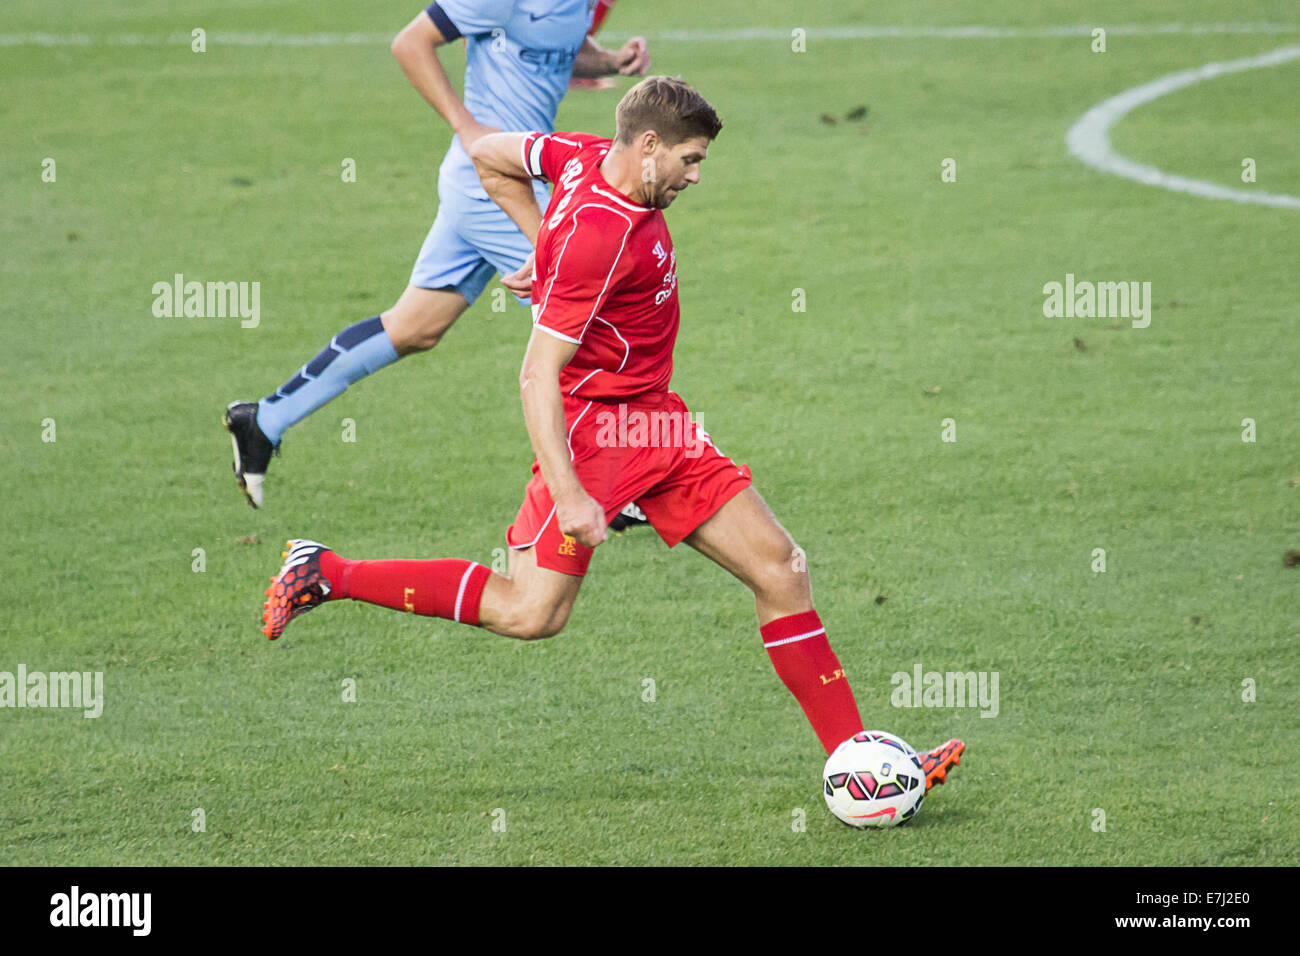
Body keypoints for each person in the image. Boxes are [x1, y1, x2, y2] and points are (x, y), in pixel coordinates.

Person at [257, 77, 965, 784]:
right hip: (598, 434)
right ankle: (327, 572)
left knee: (782, 569)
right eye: (690, 160)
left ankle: (857, 765)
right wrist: (569, 492)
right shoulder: (599, 237)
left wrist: (540, 249)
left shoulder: (578, 155)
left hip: (656, 419)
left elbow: (488, 155)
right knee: (530, 612)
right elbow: (537, 375)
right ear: (649, 145)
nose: (695, 176)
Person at [225, 1, 649, 509]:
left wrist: (609, 61)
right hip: (488, 182)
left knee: (415, 326)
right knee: (585, 317)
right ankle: (620, 485)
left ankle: (263, 421)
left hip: (501, 176)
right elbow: (410, 43)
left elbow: (551, 49)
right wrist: (467, 128)